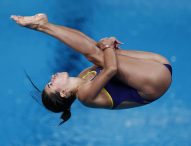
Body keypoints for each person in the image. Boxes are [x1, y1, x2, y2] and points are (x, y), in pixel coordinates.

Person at [11, 13, 172, 125]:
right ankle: (42, 26)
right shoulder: (85, 96)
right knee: (98, 53)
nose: (52, 77)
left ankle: (44, 25)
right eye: (51, 84)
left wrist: (109, 48)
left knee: (97, 51)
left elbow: (98, 53)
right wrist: (108, 45)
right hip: (155, 83)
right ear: (64, 93)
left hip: (157, 64)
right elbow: (111, 69)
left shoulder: (84, 75)